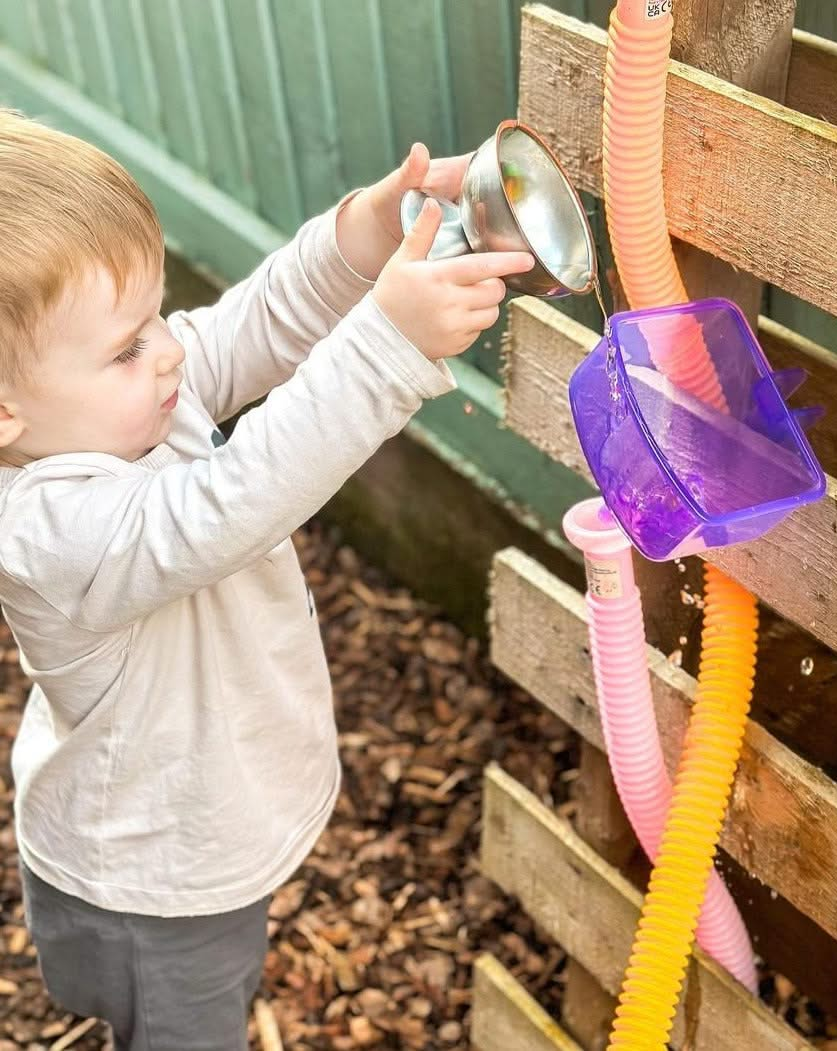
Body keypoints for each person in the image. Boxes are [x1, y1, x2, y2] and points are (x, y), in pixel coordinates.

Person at [0, 108, 533, 1050]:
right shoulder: (49, 530)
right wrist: (388, 347)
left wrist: (360, 237)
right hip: (154, 886)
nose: (167, 349)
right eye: (127, 345)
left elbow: (250, 325)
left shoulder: (110, 407)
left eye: (156, 316)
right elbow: (232, 505)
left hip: (165, 832)